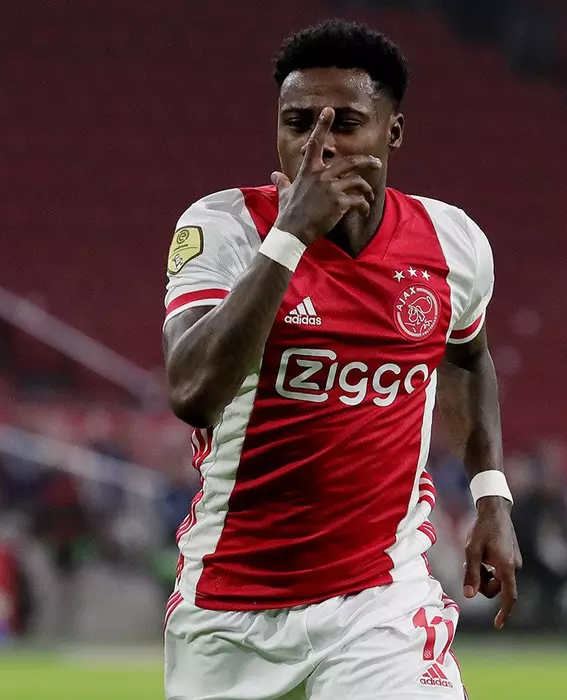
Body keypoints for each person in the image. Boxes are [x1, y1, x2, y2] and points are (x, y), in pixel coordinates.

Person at [161, 19, 521, 699]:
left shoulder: (452, 242)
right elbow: (192, 393)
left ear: (394, 131)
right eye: (297, 123)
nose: (317, 145)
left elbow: (467, 358)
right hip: (230, 609)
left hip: (380, 603)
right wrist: (291, 236)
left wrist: (491, 497)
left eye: (346, 124)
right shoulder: (224, 228)